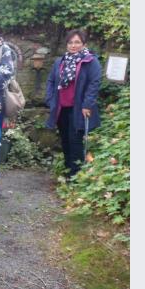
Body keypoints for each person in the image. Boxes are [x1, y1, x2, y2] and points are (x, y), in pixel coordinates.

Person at [45, 29, 102, 178]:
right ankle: (67, 168)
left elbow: (94, 84)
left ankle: (75, 175)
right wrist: (51, 100)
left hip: (79, 108)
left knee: (75, 141)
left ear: (84, 44)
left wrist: (87, 104)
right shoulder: (60, 61)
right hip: (61, 108)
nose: (73, 45)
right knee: (64, 139)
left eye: (77, 42)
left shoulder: (90, 61)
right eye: (70, 42)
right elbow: (51, 81)